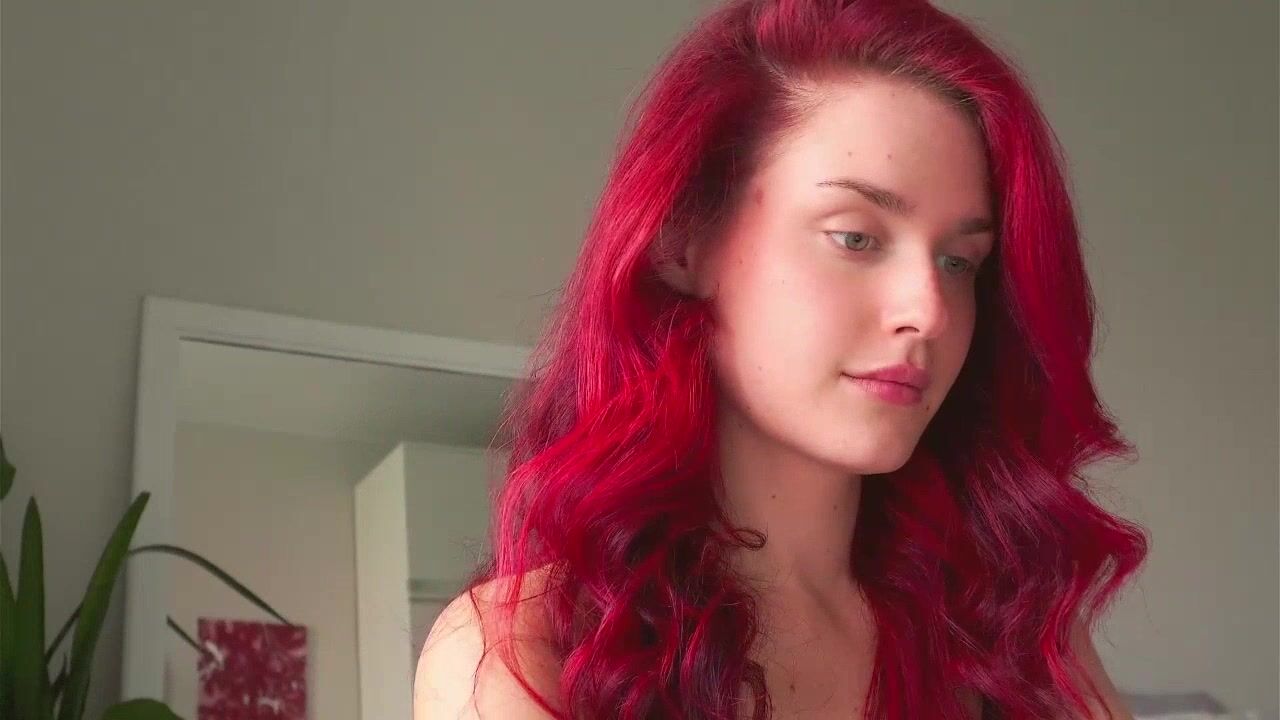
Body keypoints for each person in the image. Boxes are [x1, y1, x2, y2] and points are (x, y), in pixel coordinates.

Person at [414, 0, 1149, 718]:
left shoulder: (1021, 648)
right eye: (855, 238)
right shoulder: (523, 651)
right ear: (683, 241)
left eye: (959, 262)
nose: (928, 311)